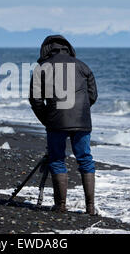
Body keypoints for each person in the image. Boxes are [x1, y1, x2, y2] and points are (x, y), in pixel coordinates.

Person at [29, 35, 98, 215]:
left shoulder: (41, 68)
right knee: (85, 159)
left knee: (57, 159)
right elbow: (93, 95)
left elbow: (35, 100)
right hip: (82, 121)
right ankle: (90, 207)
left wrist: (48, 119)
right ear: (68, 48)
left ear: (46, 49)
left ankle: (61, 205)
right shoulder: (83, 66)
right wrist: (80, 112)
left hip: (56, 122)